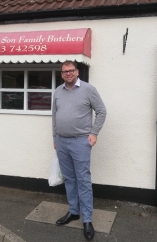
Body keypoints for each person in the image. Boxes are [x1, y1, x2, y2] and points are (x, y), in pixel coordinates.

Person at [52, 60, 107, 240]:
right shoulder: (58, 92)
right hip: (62, 141)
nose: (68, 73)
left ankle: (87, 220)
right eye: (64, 71)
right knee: (69, 178)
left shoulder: (88, 89)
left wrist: (94, 133)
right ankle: (74, 211)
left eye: (71, 70)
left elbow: (101, 111)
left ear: (77, 72)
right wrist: (55, 137)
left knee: (83, 179)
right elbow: (54, 116)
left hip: (80, 143)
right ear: (62, 74)